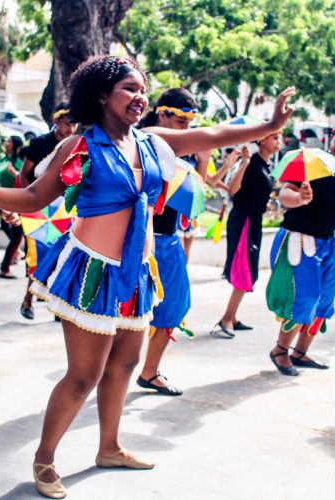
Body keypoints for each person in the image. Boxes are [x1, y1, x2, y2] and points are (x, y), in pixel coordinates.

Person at [0, 55, 295, 498]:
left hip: (137, 272)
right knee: (82, 376)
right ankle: (45, 458)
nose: (139, 96)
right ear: (102, 95)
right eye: (129, 88)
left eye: (141, 88)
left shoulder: (153, 142)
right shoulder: (81, 147)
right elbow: (33, 197)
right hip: (92, 271)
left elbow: (215, 134)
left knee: (126, 364)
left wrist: (269, 124)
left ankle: (108, 447)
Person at [266, 118, 335, 376]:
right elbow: (285, 193)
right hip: (298, 239)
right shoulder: (312, 162)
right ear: (332, 139)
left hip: (327, 243)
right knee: (302, 299)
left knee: (323, 303)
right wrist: (300, 198)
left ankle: (300, 352)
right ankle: (280, 350)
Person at [135, 88, 210, 396]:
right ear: (162, 114)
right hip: (134, 241)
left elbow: (194, 198)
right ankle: (106, 376)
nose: (186, 130)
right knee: (124, 315)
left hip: (168, 240)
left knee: (174, 308)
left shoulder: (185, 153)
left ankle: (149, 372)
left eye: (190, 123)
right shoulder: (140, 143)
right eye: (181, 121)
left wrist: (202, 162)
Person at [211, 131, 282, 337]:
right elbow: (233, 190)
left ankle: (231, 317)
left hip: (254, 220)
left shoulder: (265, 165)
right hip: (244, 219)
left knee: (248, 269)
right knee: (244, 269)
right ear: (262, 139)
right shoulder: (252, 163)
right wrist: (243, 163)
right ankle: (226, 318)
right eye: (275, 138)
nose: (279, 142)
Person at [18, 103, 78, 320]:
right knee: (39, 257)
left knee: (64, 257)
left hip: (65, 209)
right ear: (56, 121)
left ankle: (57, 305)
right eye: (66, 123)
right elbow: (24, 174)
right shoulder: (40, 143)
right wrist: (30, 202)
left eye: (74, 123)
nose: (70, 128)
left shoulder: (77, 144)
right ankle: (28, 300)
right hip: (40, 210)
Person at [0, 135, 25, 279]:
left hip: (16, 202)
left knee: (17, 236)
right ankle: (16, 255)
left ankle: (6, 267)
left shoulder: (19, 162)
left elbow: (26, 181)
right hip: (2, 200)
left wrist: (15, 173)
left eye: (9, 141)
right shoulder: (3, 159)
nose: (6, 143)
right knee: (12, 232)